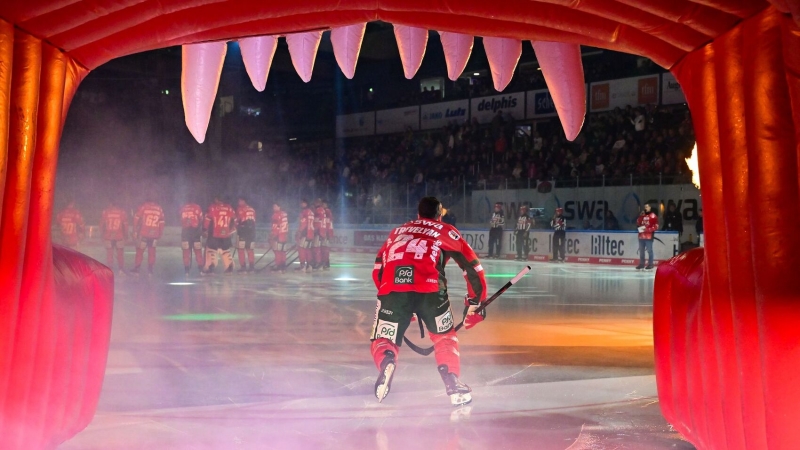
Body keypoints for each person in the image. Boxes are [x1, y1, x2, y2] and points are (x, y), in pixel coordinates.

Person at [371, 197, 487, 406]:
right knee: (444, 338)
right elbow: (472, 268)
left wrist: (390, 296)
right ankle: (452, 382)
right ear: (439, 215)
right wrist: (475, 304)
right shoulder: (446, 231)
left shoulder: (398, 231)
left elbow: (378, 267)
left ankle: (387, 360)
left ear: (418, 214)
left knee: (383, 337)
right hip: (431, 289)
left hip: (393, 288)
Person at [203, 196, 236, 275]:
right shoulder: (229, 208)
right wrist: (230, 231)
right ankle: (229, 266)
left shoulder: (212, 208)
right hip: (226, 234)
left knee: (211, 250)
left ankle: (210, 267)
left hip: (214, 234)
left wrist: (204, 230)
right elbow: (235, 221)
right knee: (226, 251)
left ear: (216, 199)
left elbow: (207, 220)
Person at [132, 198, 165, 276]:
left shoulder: (144, 206)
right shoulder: (159, 209)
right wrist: (160, 233)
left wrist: (135, 231)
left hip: (144, 233)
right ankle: (150, 270)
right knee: (152, 252)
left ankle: (137, 268)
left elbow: (136, 218)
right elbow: (162, 222)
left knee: (140, 251)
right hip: (154, 234)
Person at [100, 200, 128, 274]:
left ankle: (110, 268)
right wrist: (126, 235)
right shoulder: (122, 212)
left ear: (111, 204)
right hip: (119, 235)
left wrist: (102, 235)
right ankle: (121, 269)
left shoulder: (106, 212)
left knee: (110, 253)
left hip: (108, 235)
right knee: (120, 253)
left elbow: (101, 225)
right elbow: (125, 225)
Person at [180, 201, 204, 276]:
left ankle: (186, 270)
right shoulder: (197, 207)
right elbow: (201, 219)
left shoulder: (183, 208)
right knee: (198, 252)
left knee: (186, 252)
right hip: (195, 233)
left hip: (185, 233)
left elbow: (179, 219)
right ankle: (200, 270)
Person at [236, 197, 257, 274]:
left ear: (243, 201)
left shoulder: (240, 209)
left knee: (241, 249)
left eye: (240, 201)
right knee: (250, 249)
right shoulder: (252, 209)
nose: (238, 202)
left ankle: (243, 267)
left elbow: (238, 220)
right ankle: (251, 267)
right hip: (251, 232)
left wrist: (237, 227)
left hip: (243, 232)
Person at [636, 203, 659, 270]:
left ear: (650, 208)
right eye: (645, 207)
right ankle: (641, 264)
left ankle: (650, 264)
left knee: (649, 250)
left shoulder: (653, 216)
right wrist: (640, 216)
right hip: (641, 236)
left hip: (649, 236)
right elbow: (638, 223)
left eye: (647, 207)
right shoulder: (642, 216)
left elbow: (656, 226)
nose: (645, 208)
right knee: (641, 251)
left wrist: (649, 230)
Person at [295, 199, 315, 272]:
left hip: (305, 233)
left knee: (301, 249)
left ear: (305, 204)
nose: (301, 205)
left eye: (302, 203)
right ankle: (309, 266)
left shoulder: (304, 212)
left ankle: (302, 266)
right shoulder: (311, 212)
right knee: (308, 250)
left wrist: (299, 232)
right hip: (311, 233)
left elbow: (303, 224)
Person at [270, 202, 289, 273]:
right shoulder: (285, 214)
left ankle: (279, 266)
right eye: (273, 206)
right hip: (284, 235)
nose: (274, 208)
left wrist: (274, 235)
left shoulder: (277, 215)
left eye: (275, 206)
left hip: (278, 235)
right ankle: (283, 266)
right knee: (282, 251)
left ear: (279, 207)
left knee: (278, 251)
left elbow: (276, 226)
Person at [312, 199, 327, 271]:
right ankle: (320, 263)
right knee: (318, 247)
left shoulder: (319, 210)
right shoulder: (322, 210)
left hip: (318, 232)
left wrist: (315, 230)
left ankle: (319, 263)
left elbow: (318, 221)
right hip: (321, 231)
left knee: (316, 247)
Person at [322, 200, 333, 270]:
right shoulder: (326, 212)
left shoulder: (327, 211)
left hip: (326, 233)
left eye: (324, 204)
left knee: (325, 248)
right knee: (324, 248)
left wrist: (328, 234)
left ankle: (326, 263)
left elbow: (328, 223)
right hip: (327, 233)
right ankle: (326, 262)